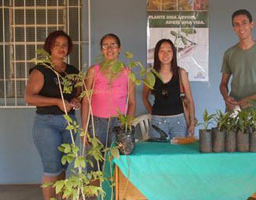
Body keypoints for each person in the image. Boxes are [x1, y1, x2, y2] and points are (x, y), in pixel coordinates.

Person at [25, 30, 80, 200]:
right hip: (47, 123)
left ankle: (61, 197)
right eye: (57, 45)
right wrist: (56, 102)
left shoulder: (72, 70)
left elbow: (79, 92)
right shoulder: (41, 70)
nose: (61, 48)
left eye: (64, 45)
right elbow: (29, 97)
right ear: (50, 46)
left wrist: (76, 100)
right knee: (52, 168)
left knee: (64, 166)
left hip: (69, 123)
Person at [81, 33, 136, 172]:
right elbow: (86, 101)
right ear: (101, 50)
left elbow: (132, 103)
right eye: (105, 45)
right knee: (95, 165)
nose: (109, 48)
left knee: (116, 164)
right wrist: (84, 129)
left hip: (118, 123)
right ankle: (95, 194)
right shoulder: (94, 71)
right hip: (96, 123)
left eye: (113, 45)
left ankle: (112, 194)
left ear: (119, 49)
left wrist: (126, 126)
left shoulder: (127, 72)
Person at [220, 9, 256, 112]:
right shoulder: (229, 53)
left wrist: (251, 99)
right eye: (236, 24)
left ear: (252, 24)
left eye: (244, 23)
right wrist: (226, 97)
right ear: (233, 28)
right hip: (234, 109)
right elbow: (223, 84)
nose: (240, 27)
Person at [142, 39, 195, 138]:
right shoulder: (151, 75)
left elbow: (190, 99)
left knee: (179, 152)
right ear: (157, 54)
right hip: (157, 121)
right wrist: (153, 113)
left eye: (169, 51)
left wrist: (192, 122)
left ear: (174, 53)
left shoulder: (181, 73)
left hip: (179, 121)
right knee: (158, 152)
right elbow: (144, 97)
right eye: (161, 51)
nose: (165, 54)